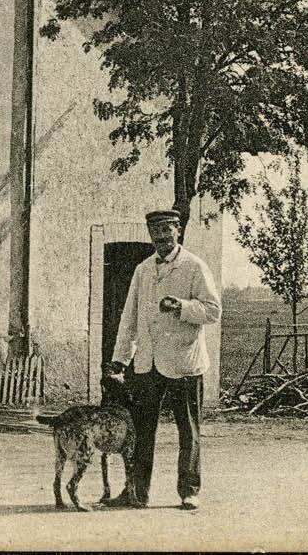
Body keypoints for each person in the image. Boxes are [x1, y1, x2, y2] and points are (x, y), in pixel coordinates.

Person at [108, 208, 222, 511]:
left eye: (167, 232)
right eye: (156, 234)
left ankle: (189, 490)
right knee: (141, 432)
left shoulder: (194, 266)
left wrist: (182, 307)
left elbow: (212, 310)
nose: (161, 239)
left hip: (184, 361)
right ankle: (137, 492)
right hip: (147, 363)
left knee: (189, 430)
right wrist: (120, 359)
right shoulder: (143, 269)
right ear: (150, 236)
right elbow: (129, 317)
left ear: (178, 232)